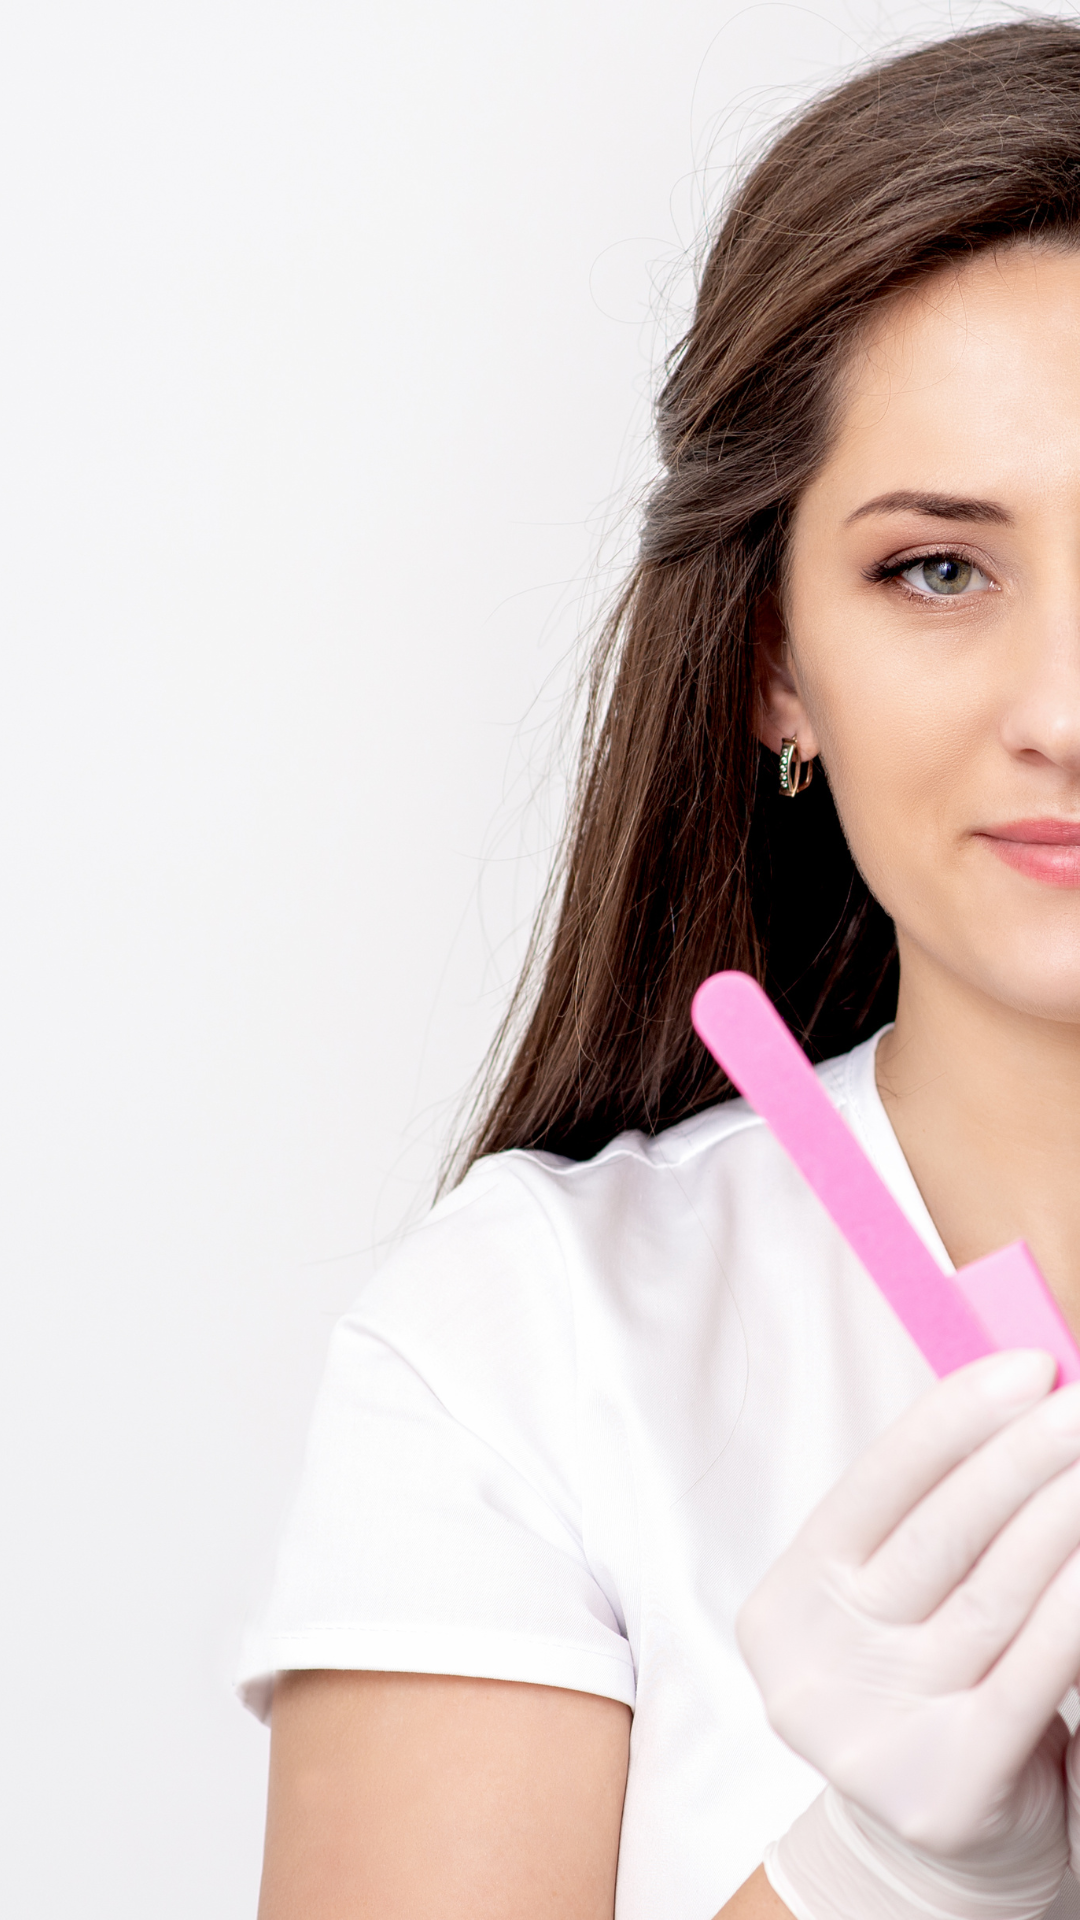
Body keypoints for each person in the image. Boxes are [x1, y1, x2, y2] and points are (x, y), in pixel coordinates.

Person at [240, 19, 1080, 1918]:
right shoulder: (530, 1358)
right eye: (941, 566)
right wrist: (883, 1878)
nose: (1067, 711)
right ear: (776, 660)